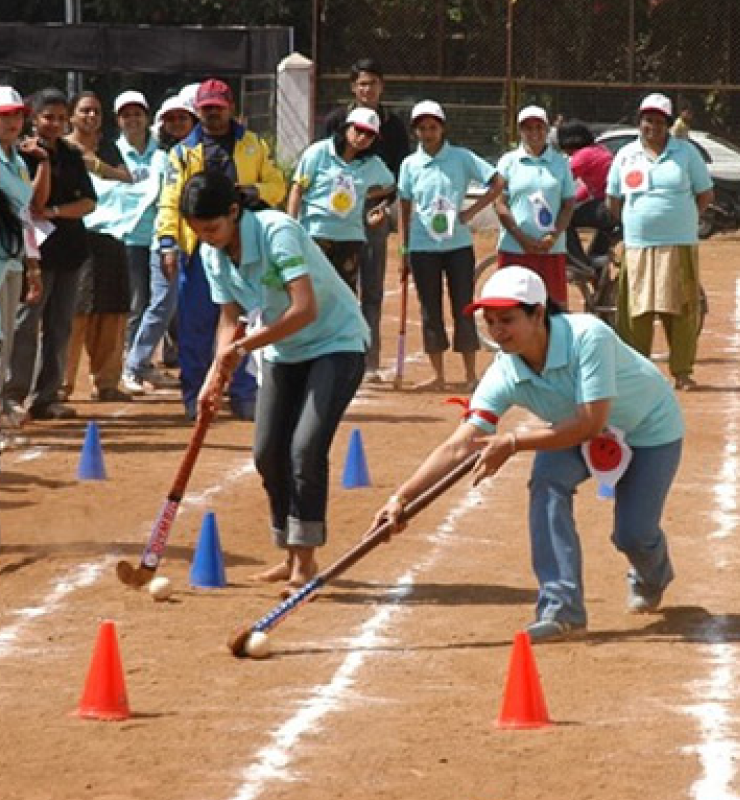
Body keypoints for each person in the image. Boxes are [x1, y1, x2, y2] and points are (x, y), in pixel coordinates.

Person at [375, 267, 684, 643]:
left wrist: (514, 442)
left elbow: (591, 422)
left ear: (538, 314)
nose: (497, 331)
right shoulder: (504, 371)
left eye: (507, 320)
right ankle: (561, 609)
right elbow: (460, 444)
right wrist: (402, 497)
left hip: (648, 429)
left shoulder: (588, 336)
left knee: (633, 534)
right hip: (572, 427)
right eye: (490, 321)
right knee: (546, 482)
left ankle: (653, 575)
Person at [180, 170, 369, 594]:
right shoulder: (212, 253)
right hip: (284, 351)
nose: (207, 238)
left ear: (234, 211)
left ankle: (305, 560)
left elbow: (305, 309)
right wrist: (215, 375)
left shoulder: (276, 231)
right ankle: (288, 552)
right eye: (198, 231)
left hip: (336, 343)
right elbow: (229, 318)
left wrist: (242, 348)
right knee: (267, 452)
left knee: (305, 448)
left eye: (212, 228)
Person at [157, 78, 286, 421]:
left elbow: (277, 185)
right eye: (206, 108)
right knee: (195, 328)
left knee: (247, 322)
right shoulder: (182, 152)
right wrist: (168, 241)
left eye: (218, 107)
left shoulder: (254, 145)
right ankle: (195, 396)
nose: (212, 114)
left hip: (244, 246)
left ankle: (245, 394)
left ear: (231, 108)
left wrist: (255, 191)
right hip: (197, 249)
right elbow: (170, 200)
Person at [606, 93, 713, 392]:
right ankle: (636, 372)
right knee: (635, 312)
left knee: (681, 310)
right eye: (647, 120)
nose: (652, 126)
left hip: (679, 244)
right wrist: (633, 221)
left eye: (658, 121)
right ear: (639, 122)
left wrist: (682, 218)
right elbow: (613, 199)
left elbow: (705, 194)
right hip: (638, 245)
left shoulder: (686, 153)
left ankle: (682, 372)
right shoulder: (626, 155)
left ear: (668, 124)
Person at [7, 87, 96, 421]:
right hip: (34, 252)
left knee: (60, 326)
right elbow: (34, 204)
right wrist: (43, 163)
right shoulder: (21, 154)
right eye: (48, 117)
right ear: (33, 118)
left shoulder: (72, 154)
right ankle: (14, 393)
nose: (55, 124)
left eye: (61, 118)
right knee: (26, 324)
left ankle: (46, 396)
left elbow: (89, 202)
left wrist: (58, 211)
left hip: (70, 250)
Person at [397, 100, 499, 391]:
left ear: (442, 128)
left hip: (458, 246)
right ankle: (438, 376)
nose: (428, 133)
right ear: (415, 131)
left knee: (463, 307)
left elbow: (497, 182)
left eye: (433, 127)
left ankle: (470, 375)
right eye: (422, 128)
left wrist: (470, 212)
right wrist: (404, 249)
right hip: (422, 247)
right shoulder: (410, 164)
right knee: (430, 309)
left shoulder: (461, 158)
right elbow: (404, 206)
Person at [324, 58, 410, 382]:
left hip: (375, 214)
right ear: (353, 87)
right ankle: (335, 353)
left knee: (371, 288)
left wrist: (385, 207)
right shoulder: (336, 120)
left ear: (382, 86)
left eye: (373, 83)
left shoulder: (394, 125)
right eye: (362, 83)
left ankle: (369, 360)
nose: (367, 89)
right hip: (337, 217)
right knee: (335, 287)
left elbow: (400, 174)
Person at [123, 93, 197, 395]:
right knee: (161, 305)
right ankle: (135, 364)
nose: (177, 123)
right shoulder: (161, 157)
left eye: (183, 118)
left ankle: (196, 367)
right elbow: (166, 202)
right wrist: (168, 242)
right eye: (171, 119)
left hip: (202, 241)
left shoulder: (205, 151)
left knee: (194, 308)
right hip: (167, 241)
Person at [62, 91, 132, 403]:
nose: (91, 117)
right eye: (85, 111)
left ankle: (107, 382)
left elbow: (127, 179)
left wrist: (97, 165)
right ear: (72, 116)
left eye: (97, 112)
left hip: (112, 240)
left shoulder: (109, 149)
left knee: (113, 309)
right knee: (74, 310)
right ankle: (61, 384)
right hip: (74, 237)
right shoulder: (61, 149)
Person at [287, 107, 394, 291]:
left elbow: (391, 186)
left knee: (344, 294)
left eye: (369, 135)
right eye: (358, 130)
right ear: (346, 128)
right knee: (313, 292)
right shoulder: (318, 152)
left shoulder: (373, 164)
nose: (362, 137)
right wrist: (291, 226)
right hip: (315, 234)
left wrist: (369, 196)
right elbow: (298, 189)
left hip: (350, 239)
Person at [494, 105, 576, 308]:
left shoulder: (561, 163)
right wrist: (522, 238)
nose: (534, 133)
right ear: (520, 131)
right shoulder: (508, 162)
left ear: (547, 130)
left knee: (553, 310)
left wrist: (553, 236)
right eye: (528, 128)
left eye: (539, 127)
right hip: (514, 248)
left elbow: (568, 204)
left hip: (551, 250)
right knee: (512, 307)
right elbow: (500, 203)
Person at [0, 86, 43, 437]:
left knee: (6, 342)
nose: (11, 122)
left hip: (12, 261)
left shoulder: (17, 161)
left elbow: (25, 215)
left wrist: (33, 266)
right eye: (4, 116)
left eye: (16, 115)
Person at [112, 90, 161, 355]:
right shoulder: (112, 152)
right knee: (137, 301)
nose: (133, 119)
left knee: (163, 300)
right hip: (129, 238)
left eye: (138, 114)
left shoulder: (162, 151)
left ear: (147, 117)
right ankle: (133, 356)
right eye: (126, 115)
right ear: (118, 120)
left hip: (160, 237)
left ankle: (165, 355)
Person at [556, 121, 615, 270]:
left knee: (564, 218)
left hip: (606, 206)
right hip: (615, 207)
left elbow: (560, 181)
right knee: (598, 248)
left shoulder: (583, 155)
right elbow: (588, 189)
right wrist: (574, 200)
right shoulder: (599, 150)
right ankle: (597, 266)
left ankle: (578, 262)